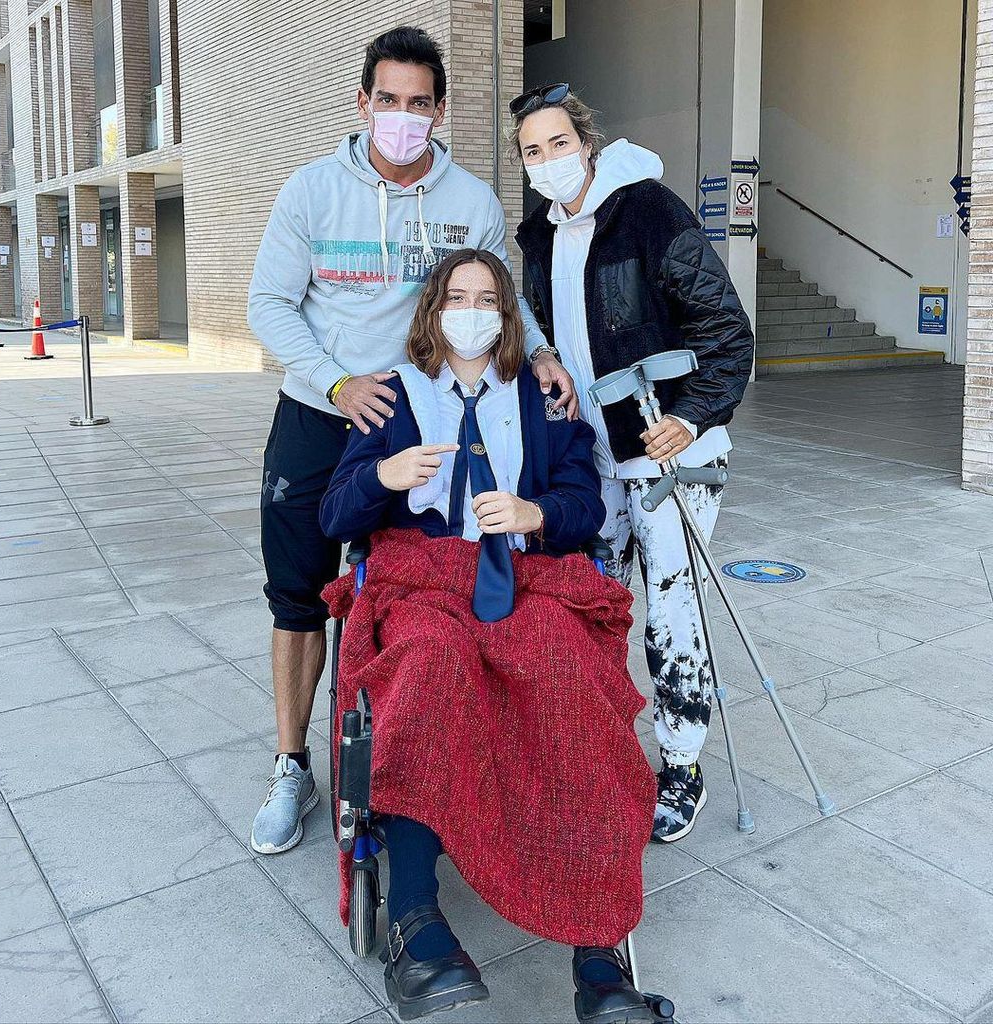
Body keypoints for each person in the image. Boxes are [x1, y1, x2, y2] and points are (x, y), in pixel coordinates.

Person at [245, 27, 572, 855]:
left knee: (400, 587)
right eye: (386, 100)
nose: (401, 115)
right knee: (297, 594)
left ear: (438, 110)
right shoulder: (312, 189)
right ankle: (292, 764)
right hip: (324, 411)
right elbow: (268, 305)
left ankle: (395, 752)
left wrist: (538, 354)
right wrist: (335, 382)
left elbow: (503, 297)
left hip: (418, 417)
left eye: (417, 103)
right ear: (362, 103)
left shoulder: (471, 202)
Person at [320, 249, 662, 1023]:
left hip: (524, 572)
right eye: (455, 297)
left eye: (487, 300)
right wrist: (382, 478)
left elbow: (583, 500)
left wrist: (539, 515)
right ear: (432, 311)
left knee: (566, 672)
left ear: (508, 317)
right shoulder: (395, 399)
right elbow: (334, 516)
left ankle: (600, 956)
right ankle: (417, 922)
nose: (470, 312)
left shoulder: (541, 397)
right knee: (433, 664)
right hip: (422, 579)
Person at [511, 84, 755, 843]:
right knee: (596, 608)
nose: (547, 160)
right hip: (596, 458)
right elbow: (548, 335)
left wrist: (689, 416)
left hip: (669, 451)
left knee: (673, 613)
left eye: (558, 143)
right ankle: (604, 747)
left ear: (585, 142)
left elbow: (727, 331)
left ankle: (682, 764)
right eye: (531, 151)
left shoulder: (648, 210)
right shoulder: (539, 235)